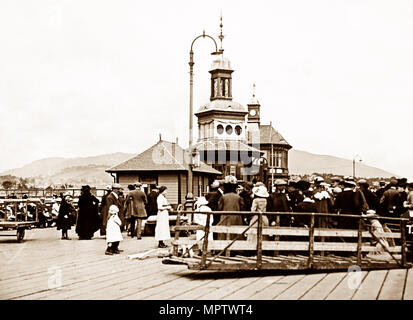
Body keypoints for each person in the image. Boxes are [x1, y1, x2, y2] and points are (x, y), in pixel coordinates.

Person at [217, 175, 244, 240]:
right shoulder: (238, 197)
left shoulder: (223, 197)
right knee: (236, 234)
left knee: (224, 234)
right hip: (237, 218)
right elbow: (242, 208)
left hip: (225, 217)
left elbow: (219, 208)